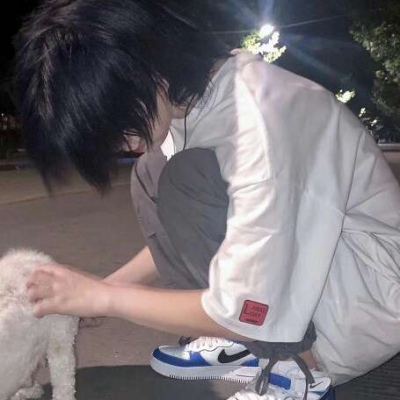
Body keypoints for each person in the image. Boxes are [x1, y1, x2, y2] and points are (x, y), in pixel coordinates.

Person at [13, 0, 400, 399]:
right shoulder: (192, 102)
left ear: (142, 68)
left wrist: (105, 298)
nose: (118, 144)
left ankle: (298, 369)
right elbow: (197, 230)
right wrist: (101, 289)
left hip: (364, 303)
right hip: (316, 280)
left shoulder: (260, 118)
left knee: (184, 177)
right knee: (153, 171)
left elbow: (246, 296)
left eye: (114, 124)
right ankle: (244, 338)